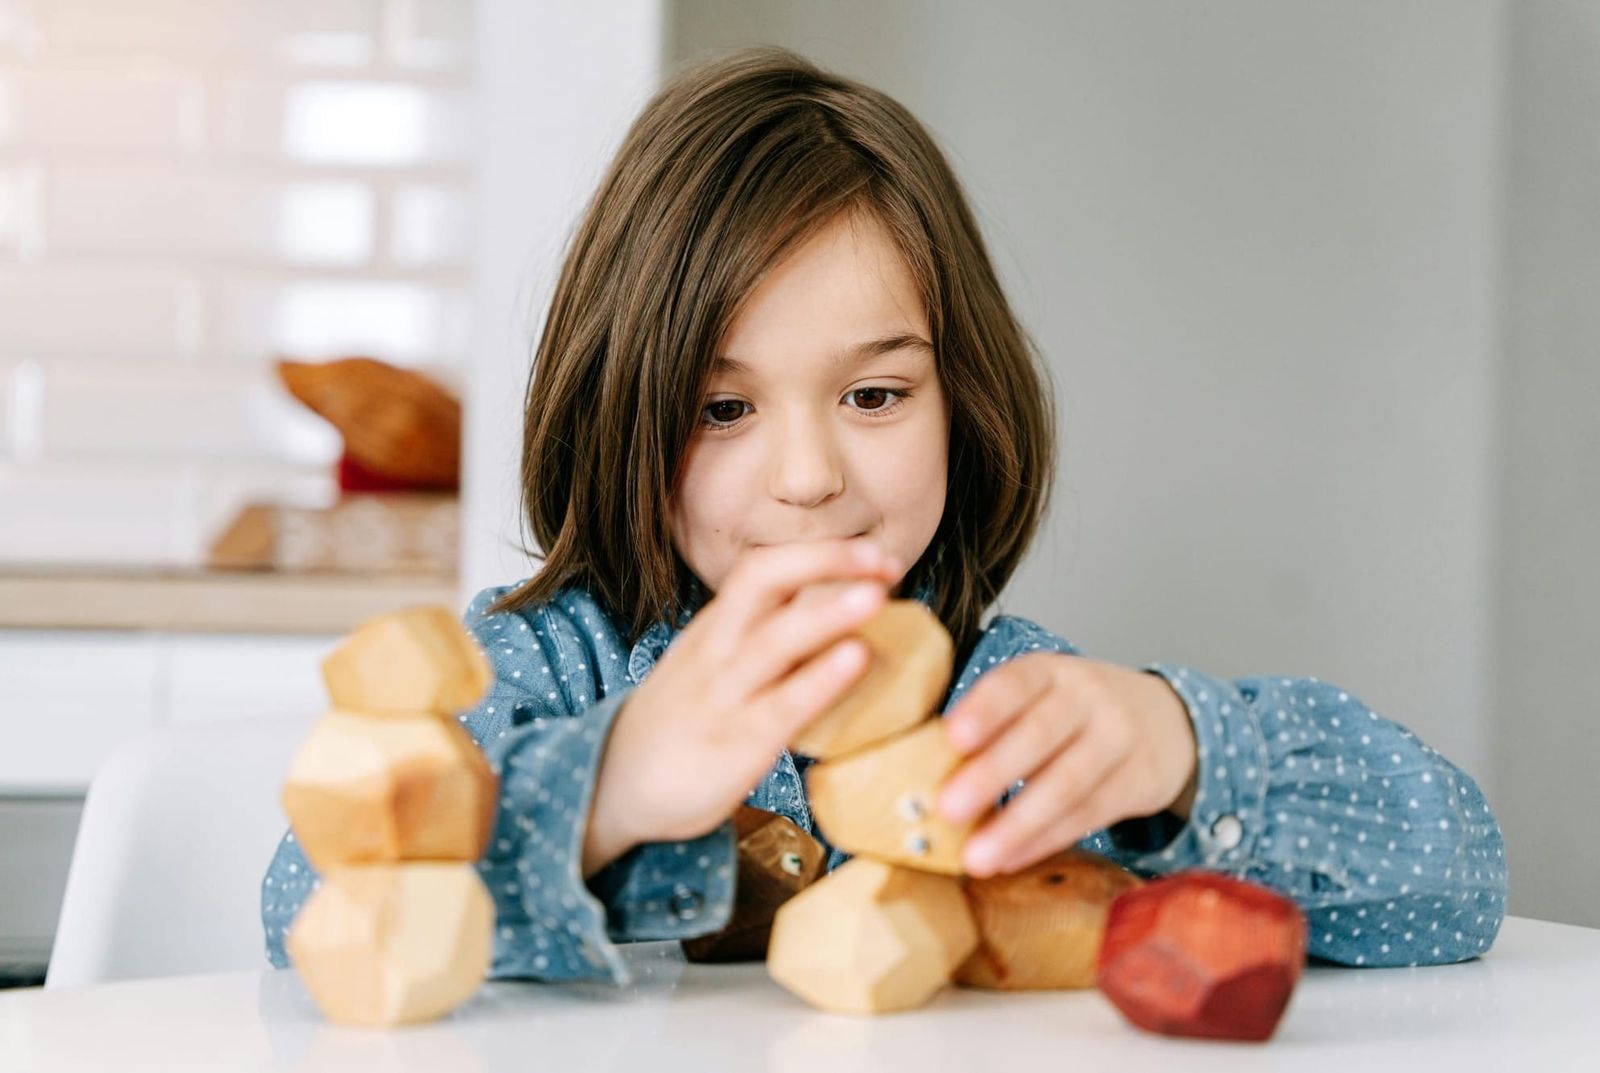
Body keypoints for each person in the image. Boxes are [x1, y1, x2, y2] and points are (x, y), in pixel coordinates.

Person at [262, 47, 1506, 983]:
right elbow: (301, 906)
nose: (807, 476)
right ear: (619, 414)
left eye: (872, 394)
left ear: (962, 403)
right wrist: (614, 786)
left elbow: (1458, 883)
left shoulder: (1004, 705)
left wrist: (1182, 748)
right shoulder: (533, 668)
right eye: (722, 408)